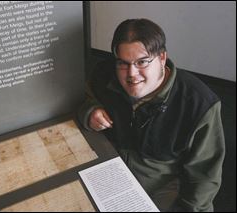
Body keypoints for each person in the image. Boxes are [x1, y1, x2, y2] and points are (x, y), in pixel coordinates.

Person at [78, 18, 225, 211]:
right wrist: (90, 111)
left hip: (166, 188)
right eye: (123, 63)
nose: (131, 74)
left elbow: (204, 179)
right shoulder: (104, 74)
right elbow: (80, 99)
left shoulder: (199, 103)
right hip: (110, 175)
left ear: (162, 58)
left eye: (142, 62)